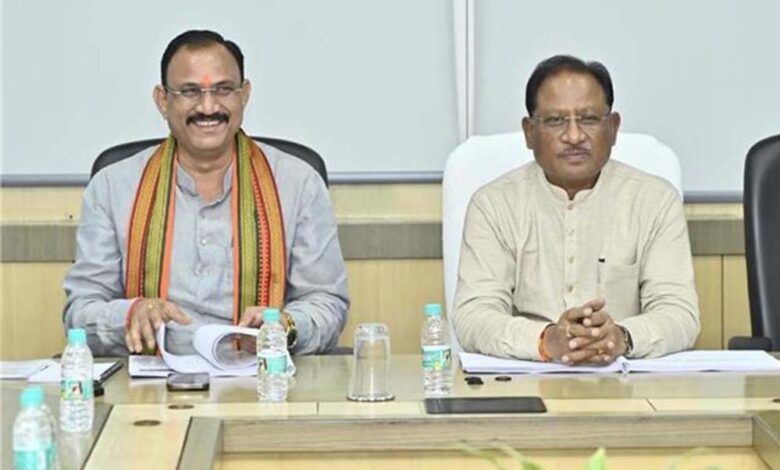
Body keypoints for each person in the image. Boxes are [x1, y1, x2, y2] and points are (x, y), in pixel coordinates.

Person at [63, 30, 349, 356]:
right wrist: (128, 315)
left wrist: (285, 326)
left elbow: (327, 302)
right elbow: (80, 311)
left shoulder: (299, 183)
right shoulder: (112, 187)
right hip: (150, 381)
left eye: (223, 89)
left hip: (263, 378)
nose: (208, 106)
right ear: (162, 100)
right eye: (190, 91)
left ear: (244, 95)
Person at [452, 55, 699, 364]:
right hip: (524, 378)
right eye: (556, 121)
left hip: (627, 379)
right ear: (529, 132)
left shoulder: (655, 200)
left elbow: (680, 313)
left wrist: (621, 337)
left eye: (589, 119)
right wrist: (546, 341)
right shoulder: (493, 205)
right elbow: (473, 315)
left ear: (613, 127)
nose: (574, 136)